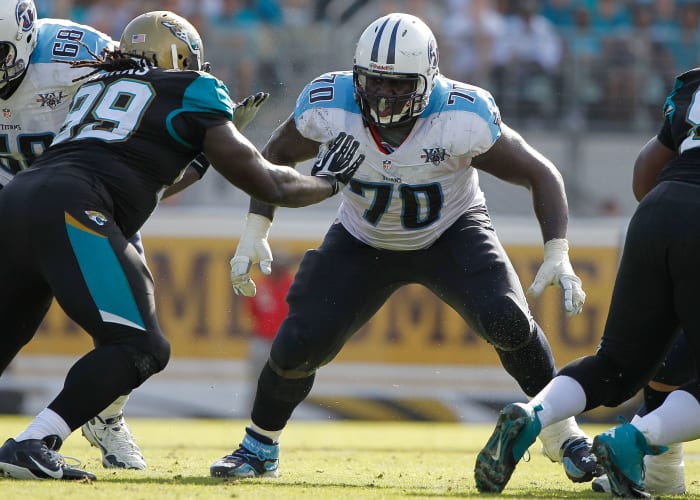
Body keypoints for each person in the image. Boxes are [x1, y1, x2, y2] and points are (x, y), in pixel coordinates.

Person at [211, 12, 597, 483]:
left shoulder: (461, 113)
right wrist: (256, 228)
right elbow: (274, 153)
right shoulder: (330, 103)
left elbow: (541, 173)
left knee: (508, 320)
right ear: (358, 75)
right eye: (375, 82)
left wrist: (557, 249)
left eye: (399, 86)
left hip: (451, 231)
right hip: (362, 238)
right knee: (298, 344)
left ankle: (565, 434)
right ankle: (258, 447)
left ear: (429, 78)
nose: (385, 95)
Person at [0, 9, 364, 481]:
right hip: (69, 204)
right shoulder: (195, 89)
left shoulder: (93, 88)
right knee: (140, 346)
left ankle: (49, 435)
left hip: (17, 199)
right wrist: (329, 182)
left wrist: (200, 150)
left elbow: (144, 180)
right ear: (179, 58)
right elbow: (271, 184)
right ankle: (35, 440)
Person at [474, 66, 700, 497]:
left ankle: (534, 415)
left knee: (616, 366)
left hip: (658, 209)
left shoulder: (695, 83)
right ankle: (634, 439)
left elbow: (644, 174)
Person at [242, 250, 295, 411]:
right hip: (263, 340)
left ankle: (280, 416)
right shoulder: (260, 285)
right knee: (257, 381)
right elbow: (253, 313)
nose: (278, 269)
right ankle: (252, 415)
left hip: (286, 341)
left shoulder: (293, 285)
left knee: (287, 383)